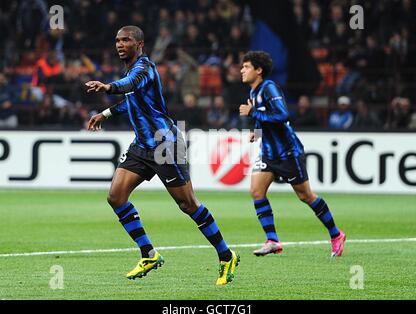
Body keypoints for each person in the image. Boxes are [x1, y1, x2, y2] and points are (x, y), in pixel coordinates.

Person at [85, 26, 239, 285]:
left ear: (140, 44)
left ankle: (226, 255)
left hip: (164, 143)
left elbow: (128, 86)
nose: (120, 45)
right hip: (142, 146)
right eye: (117, 41)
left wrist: (108, 86)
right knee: (116, 196)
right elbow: (131, 99)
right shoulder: (131, 69)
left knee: (188, 204)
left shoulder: (144, 68)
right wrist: (106, 114)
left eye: (126, 40)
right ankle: (149, 253)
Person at [239, 51, 346, 257]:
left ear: (258, 70)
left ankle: (336, 234)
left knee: (305, 195)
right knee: (256, 191)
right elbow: (266, 119)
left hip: (287, 152)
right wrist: (257, 131)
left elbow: (282, 115)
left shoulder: (269, 87)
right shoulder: (253, 93)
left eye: (246, 67)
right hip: (268, 153)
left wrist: (253, 113)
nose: (241, 70)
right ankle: (272, 240)